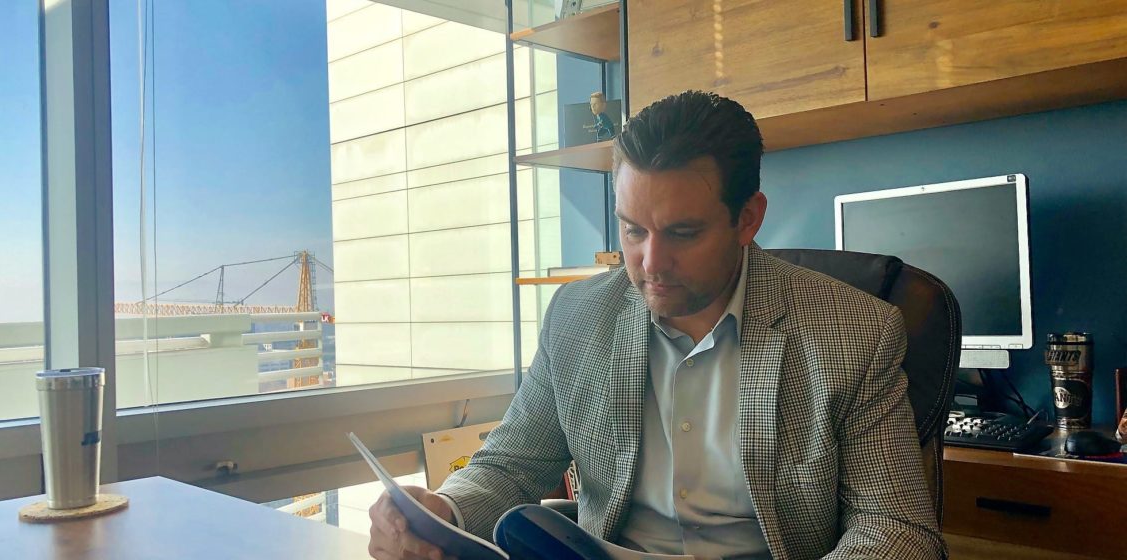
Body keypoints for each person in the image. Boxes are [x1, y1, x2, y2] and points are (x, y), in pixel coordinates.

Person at [368, 90, 947, 560]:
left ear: (748, 218)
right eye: (632, 231)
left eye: (683, 233)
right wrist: (440, 511)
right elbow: (510, 465)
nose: (649, 263)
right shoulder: (578, 318)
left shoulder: (853, 331)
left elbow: (895, 528)